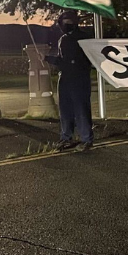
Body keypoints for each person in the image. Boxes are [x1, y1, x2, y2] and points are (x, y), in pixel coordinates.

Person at [45, 10, 94, 152]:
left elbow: (79, 61)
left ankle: (86, 139)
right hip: (65, 78)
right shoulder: (63, 39)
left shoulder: (84, 39)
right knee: (65, 110)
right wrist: (49, 58)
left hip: (79, 79)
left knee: (81, 109)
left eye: (69, 23)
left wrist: (54, 60)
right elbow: (63, 60)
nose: (66, 26)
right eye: (64, 23)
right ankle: (66, 137)